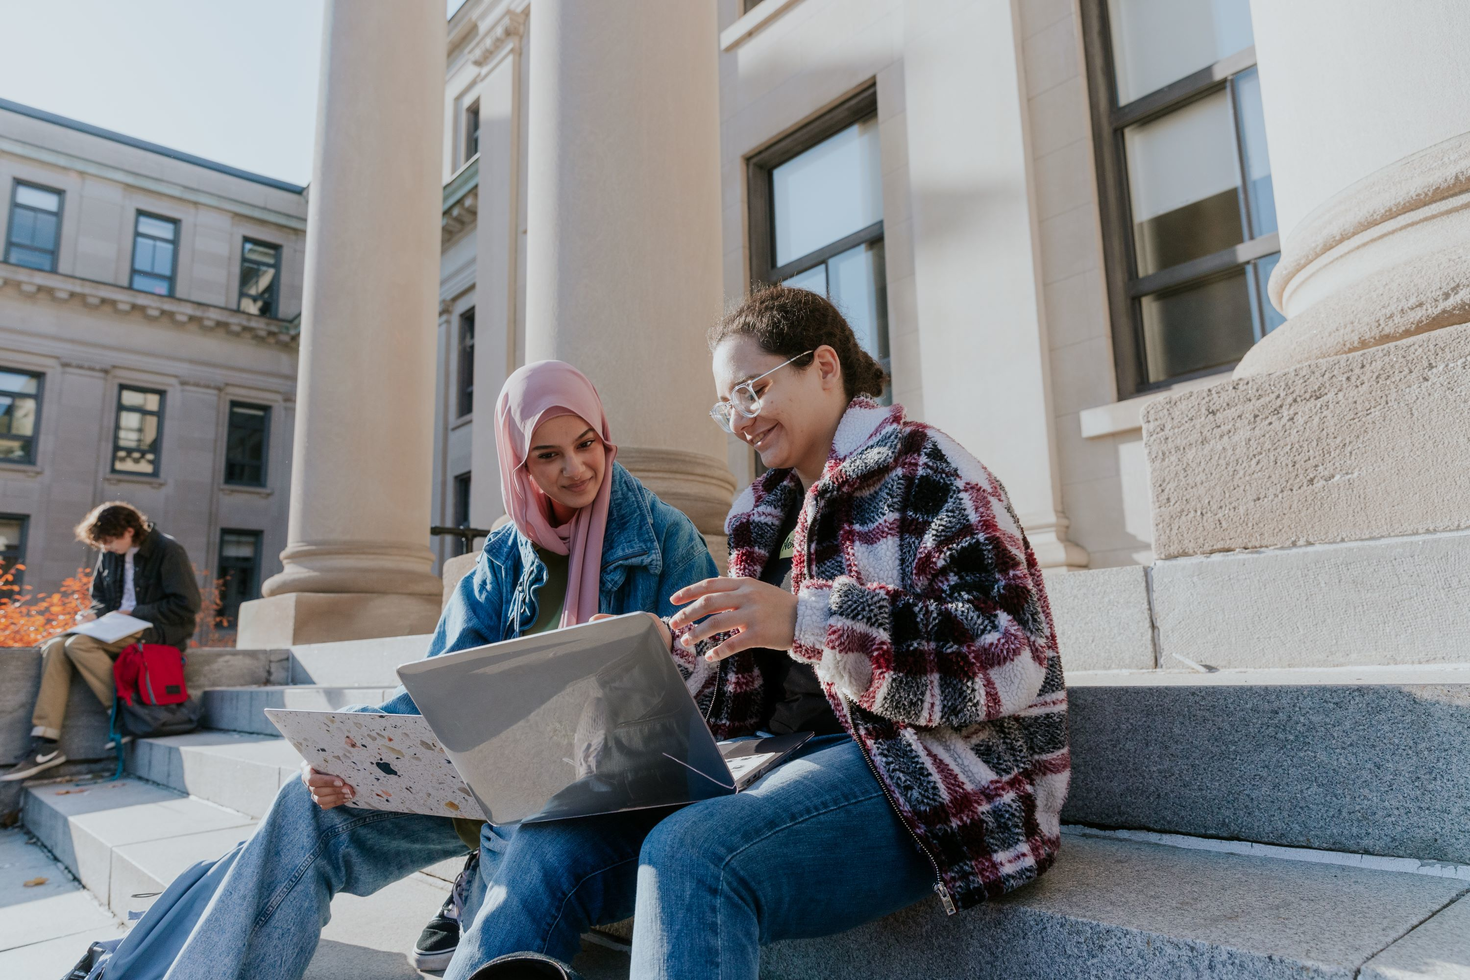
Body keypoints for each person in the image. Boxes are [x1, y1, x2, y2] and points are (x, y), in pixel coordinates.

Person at [450, 286, 1070, 980]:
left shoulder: (927, 468)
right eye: (727, 404)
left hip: (922, 773)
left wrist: (806, 620)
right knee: (543, 842)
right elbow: (743, 685)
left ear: (825, 367)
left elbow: (1011, 658)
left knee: (690, 852)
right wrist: (661, 653)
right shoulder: (761, 512)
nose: (740, 420)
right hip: (772, 761)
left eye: (752, 390)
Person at [91, 360, 719, 980]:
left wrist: (668, 655)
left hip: (598, 792)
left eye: (585, 445)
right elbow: (436, 686)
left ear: (604, 438)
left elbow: (709, 693)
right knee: (306, 802)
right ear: (520, 465)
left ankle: (484, 876)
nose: (575, 468)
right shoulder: (505, 553)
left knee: (529, 836)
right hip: (486, 775)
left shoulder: (666, 538)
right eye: (548, 456)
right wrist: (349, 753)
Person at [3, 502, 200, 782]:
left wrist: (133, 613)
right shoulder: (111, 554)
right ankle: (46, 743)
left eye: (109, 541)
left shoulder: (168, 550)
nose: (106, 548)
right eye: (101, 543)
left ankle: (126, 713)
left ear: (130, 531)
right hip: (116, 626)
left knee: (78, 645)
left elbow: (186, 605)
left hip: (160, 630)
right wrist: (93, 614)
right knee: (56, 645)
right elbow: (100, 598)